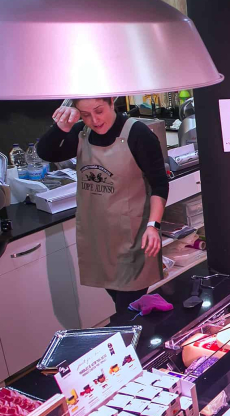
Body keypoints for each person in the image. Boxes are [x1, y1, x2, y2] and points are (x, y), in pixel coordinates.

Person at [38, 97, 167, 309]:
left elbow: (160, 184)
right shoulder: (82, 133)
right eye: (86, 114)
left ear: (111, 103)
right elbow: (46, 153)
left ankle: (132, 339)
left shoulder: (137, 134)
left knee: (128, 308)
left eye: (99, 111)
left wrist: (154, 225)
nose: (95, 120)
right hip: (98, 239)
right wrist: (63, 125)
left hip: (133, 239)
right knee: (122, 305)